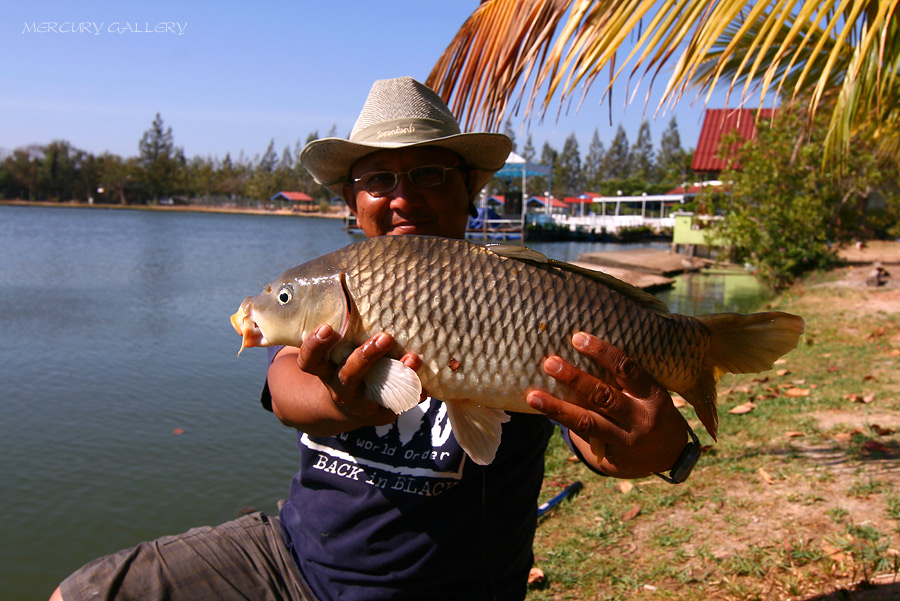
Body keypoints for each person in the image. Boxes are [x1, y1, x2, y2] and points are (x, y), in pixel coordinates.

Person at [52, 77, 694, 601]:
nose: (402, 198)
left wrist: (658, 447)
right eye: (378, 180)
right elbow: (284, 387)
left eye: (430, 175)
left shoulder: (520, 290)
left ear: (470, 193)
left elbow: (606, 446)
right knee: (84, 593)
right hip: (291, 560)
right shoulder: (334, 284)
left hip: (449, 590)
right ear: (352, 203)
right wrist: (346, 404)